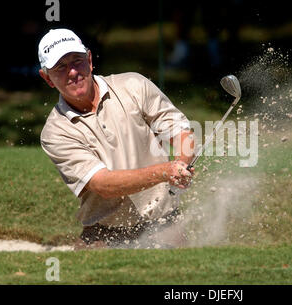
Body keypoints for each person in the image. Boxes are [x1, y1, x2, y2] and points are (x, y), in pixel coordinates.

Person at [38, 28, 195, 250]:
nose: (72, 72)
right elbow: (103, 184)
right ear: (47, 78)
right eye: (60, 67)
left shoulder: (134, 85)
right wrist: (165, 171)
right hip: (104, 233)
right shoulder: (55, 132)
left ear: (90, 60)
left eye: (77, 61)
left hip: (163, 223)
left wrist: (182, 161)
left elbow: (180, 131)